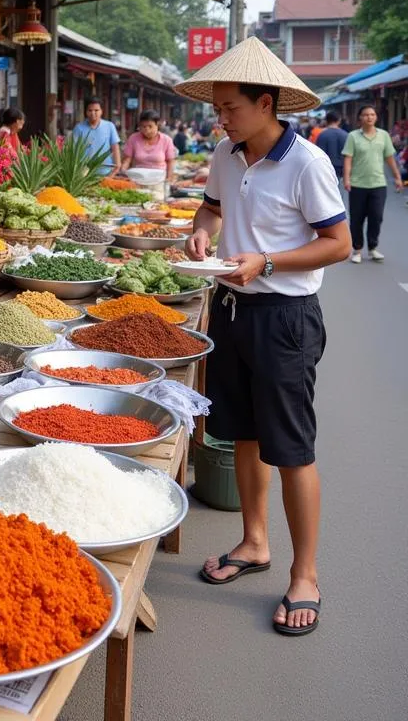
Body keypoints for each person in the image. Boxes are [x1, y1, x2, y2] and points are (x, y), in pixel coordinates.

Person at [176, 37, 350, 638]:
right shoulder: (227, 154)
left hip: (284, 319)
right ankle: (254, 542)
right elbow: (211, 210)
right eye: (218, 109)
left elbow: (338, 244)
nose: (219, 119)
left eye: (230, 108)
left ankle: (305, 575)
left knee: (292, 447)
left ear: (267, 102)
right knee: (243, 435)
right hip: (230, 308)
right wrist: (203, 234)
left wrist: (268, 262)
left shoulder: (307, 162)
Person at [342, 105, 402, 262]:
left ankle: (373, 247)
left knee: (376, 217)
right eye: (366, 114)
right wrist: (347, 179)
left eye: (372, 114)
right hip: (357, 184)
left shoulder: (383, 136)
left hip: (378, 184)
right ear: (360, 118)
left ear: (376, 117)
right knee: (357, 218)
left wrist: (397, 177)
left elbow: (390, 157)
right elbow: (348, 158)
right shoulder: (353, 136)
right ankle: (357, 250)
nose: (369, 117)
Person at [120, 110, 177, 186]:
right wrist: (123, 171)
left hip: (158, 182)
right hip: (137, 180)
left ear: (157, 125)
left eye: (150, 126)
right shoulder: (133, 138)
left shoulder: (167, 140)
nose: (147, 130)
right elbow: (127, 159)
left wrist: (169, 179)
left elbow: (170, 162)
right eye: (143, 126)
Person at [72, 98, 121, 175]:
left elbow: (115, 147)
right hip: (84, 173)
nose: (93, 113)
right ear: (86, 112)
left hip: (106, 171)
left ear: (101, 111)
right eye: (90, 110)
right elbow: (74, 150)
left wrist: (117, 167)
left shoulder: (109, 126)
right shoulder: (78, 128)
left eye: (96, 110)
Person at [314, 112, 348, 180]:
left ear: (326, 121)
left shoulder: (322, 135)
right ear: (339, 120)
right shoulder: (346, 134)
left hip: (326, 167)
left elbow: (318, 153)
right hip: (342, 167)